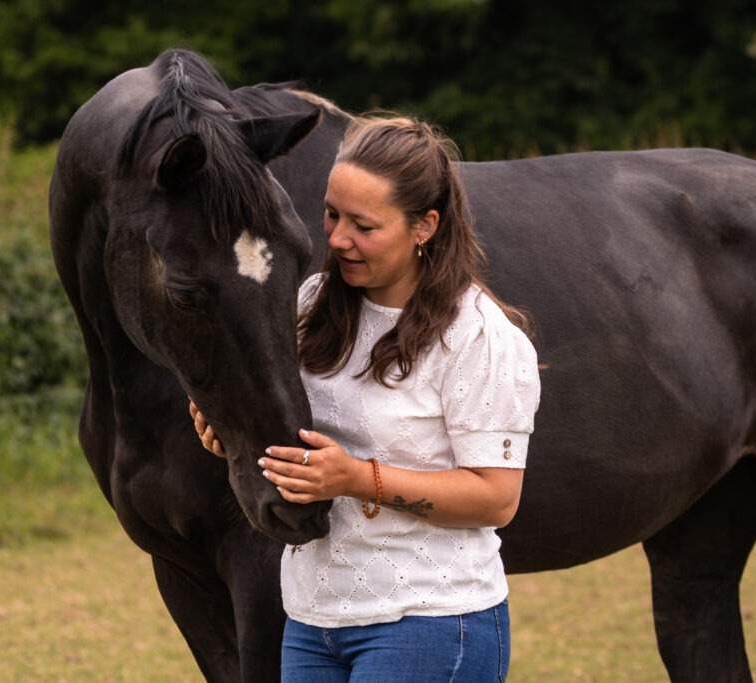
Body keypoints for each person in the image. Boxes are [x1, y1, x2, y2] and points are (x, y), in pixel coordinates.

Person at [190, 115, 541, 682]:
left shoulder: (478, 339)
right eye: (331, 214)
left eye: (363, 225)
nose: (336, 239)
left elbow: (496, 499)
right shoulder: (307, 306)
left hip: (430, 624)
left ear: (424, 226)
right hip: (309, 622)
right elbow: (295, 444)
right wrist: (228, 432)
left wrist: (354, 478)